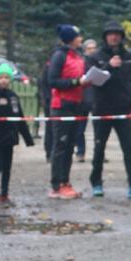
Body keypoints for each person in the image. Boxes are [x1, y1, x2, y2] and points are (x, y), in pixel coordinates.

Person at [88, 20, 131, 199]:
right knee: (99, 148)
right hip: (102, 109)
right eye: (111, 34)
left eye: (117, 35)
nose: (114, 38)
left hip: (123, 109)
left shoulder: (128, 56)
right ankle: (96, 182)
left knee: (129, 148)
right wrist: (108, 66)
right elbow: (92, 79)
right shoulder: (95, 56)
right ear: (105, 37)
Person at [47, 25, 89, 199]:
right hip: (61, 106)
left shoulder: (77, 56)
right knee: (61, 146)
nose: (81, 39)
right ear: (71, 39)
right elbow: (52, 80)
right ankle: (57, 185)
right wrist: (76, 82)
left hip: (76, 105)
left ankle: (65, 181)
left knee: (70, 145)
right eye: (78, 36)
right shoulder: (59, 55)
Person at [0, 63, 33, 206]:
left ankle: (5, 194)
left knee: (7, 168)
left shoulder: (13, 97)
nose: (3, 80)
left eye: (6, 77)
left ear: (10, 79)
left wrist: (28, 139)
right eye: (0, 77)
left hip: (10, 138)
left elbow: (20, 118)